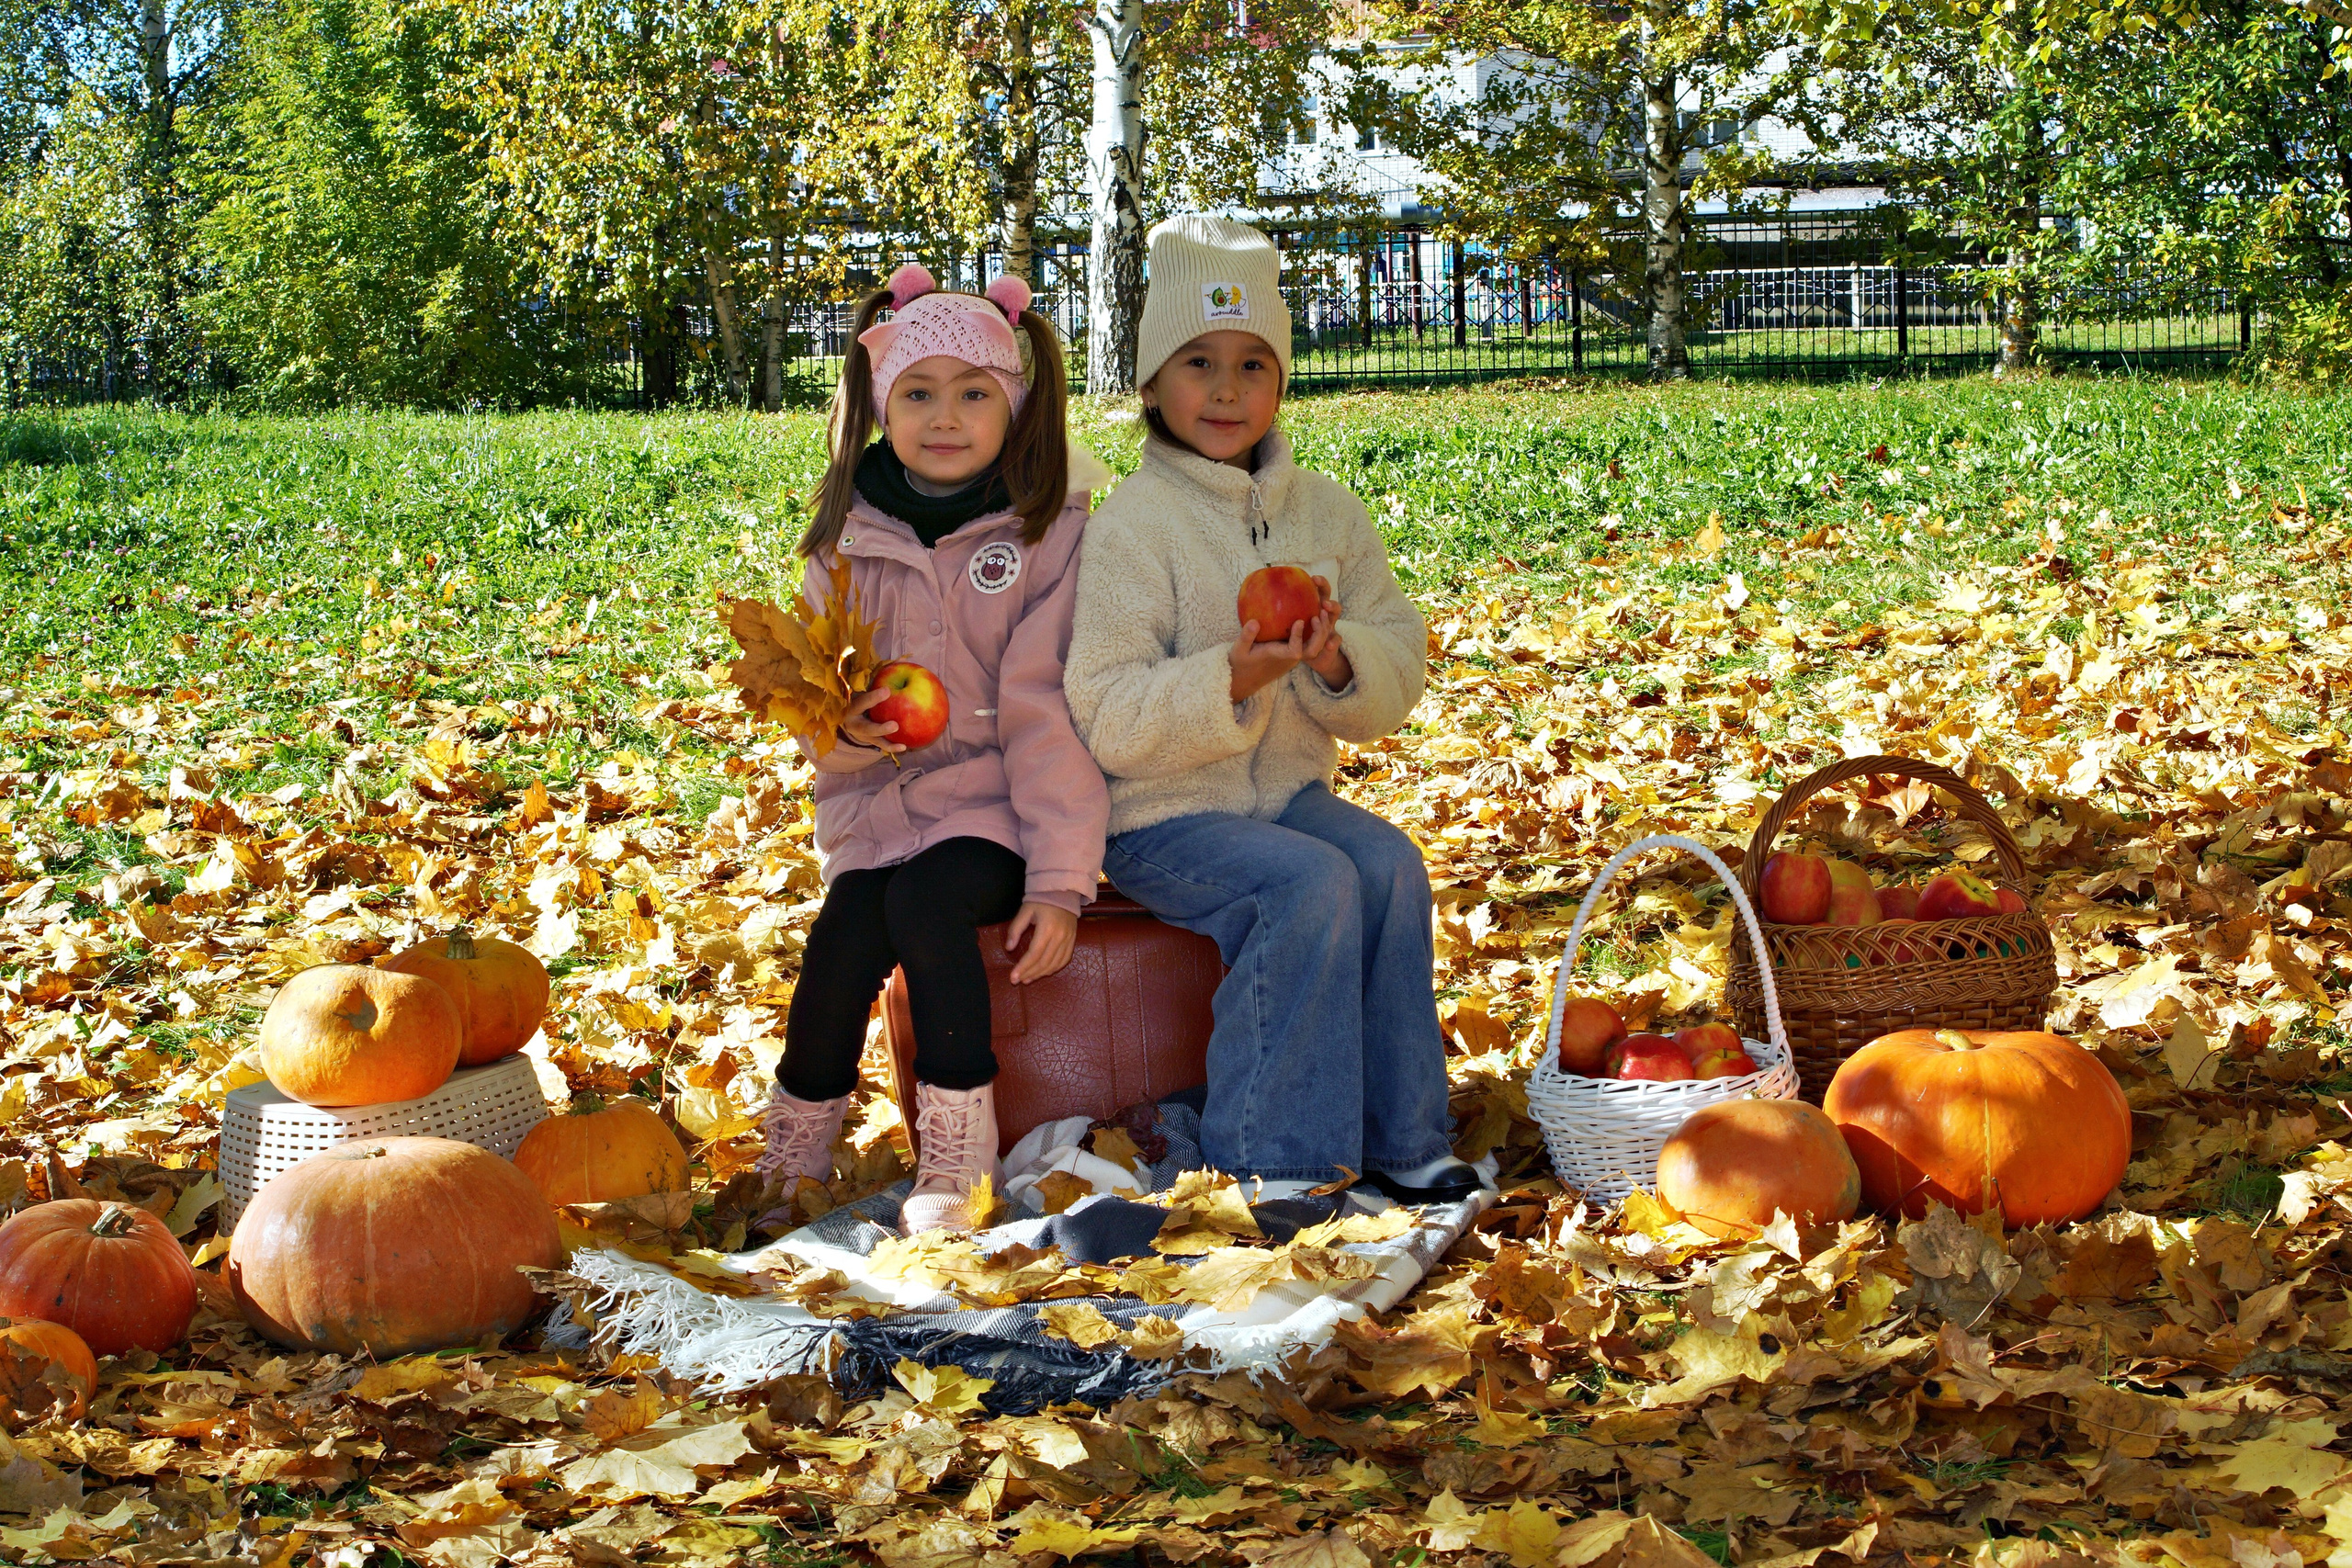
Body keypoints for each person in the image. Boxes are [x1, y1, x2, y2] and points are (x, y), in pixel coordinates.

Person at [1063, 215, 1487, 1208]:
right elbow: (1107, 713)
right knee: (1305, 886)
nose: (1225, 390)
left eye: (1253, 363)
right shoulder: (1133, 528)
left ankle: (1402, 1135)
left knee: (1383, 864)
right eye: (1197, 362)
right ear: (1151, 381)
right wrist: (1236, 676)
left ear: (1284, 379)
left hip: (1287, 790)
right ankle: (1275, 1160)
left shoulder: (1326, 515)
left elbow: (1400, 659)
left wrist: (1337, 656)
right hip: (1161, 816)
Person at [756, 264, 1109, 1235]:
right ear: (880, 405)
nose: (943, 417)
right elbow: (810, 694)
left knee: (924, 904)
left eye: (972, 394)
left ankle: (956, 1152)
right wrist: (848, 734)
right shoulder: (844, 538)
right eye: (917, 393)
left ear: (1015, 407)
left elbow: (1050, 714)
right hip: (882, 804)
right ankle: (795, 1146)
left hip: (999, 809)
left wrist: (1059, 882)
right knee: (843, 937)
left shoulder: (1046, 535)